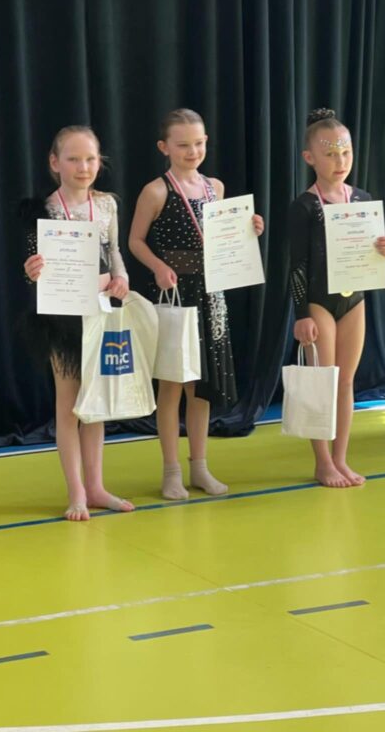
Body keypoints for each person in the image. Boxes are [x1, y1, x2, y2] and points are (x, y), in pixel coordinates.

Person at [129, 108, 264, 500]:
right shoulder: (156, 191)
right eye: (183, 145)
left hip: (211, 294)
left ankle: (200, 466)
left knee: (203, 387)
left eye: (199, 143)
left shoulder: (215, 188)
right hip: (176, 295)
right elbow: (135, 240)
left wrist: (249, 228)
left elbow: (222, 237)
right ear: (164, 147)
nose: (193, 151)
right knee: (173, 384)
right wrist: (158, 266)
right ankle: (171, 471)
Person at [22, 125, 135, 520]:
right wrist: (32, 272)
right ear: (55, 163)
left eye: (90, 159)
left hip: (100, 309)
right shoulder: (43, 210)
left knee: (97, 403)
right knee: (69, 405)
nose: (83, 167)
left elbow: (114, 250)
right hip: (63, 316)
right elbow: (35, 266)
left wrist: (122, 278)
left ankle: (97, 486)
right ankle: (76, 493)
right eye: (73, 159)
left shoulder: (106, 205)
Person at [289, 108, 385, 487]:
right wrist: (302, 313)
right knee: (324, 382)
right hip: (320, 301)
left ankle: (340, 458)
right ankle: (322, 462)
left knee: (346, 382)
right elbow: (297, 266)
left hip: (354, 299)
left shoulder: (362, 199)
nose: (340, 161)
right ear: (310, 158)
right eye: (330, 154)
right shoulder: (305, 206)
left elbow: (372, 249)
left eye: (346, 152)